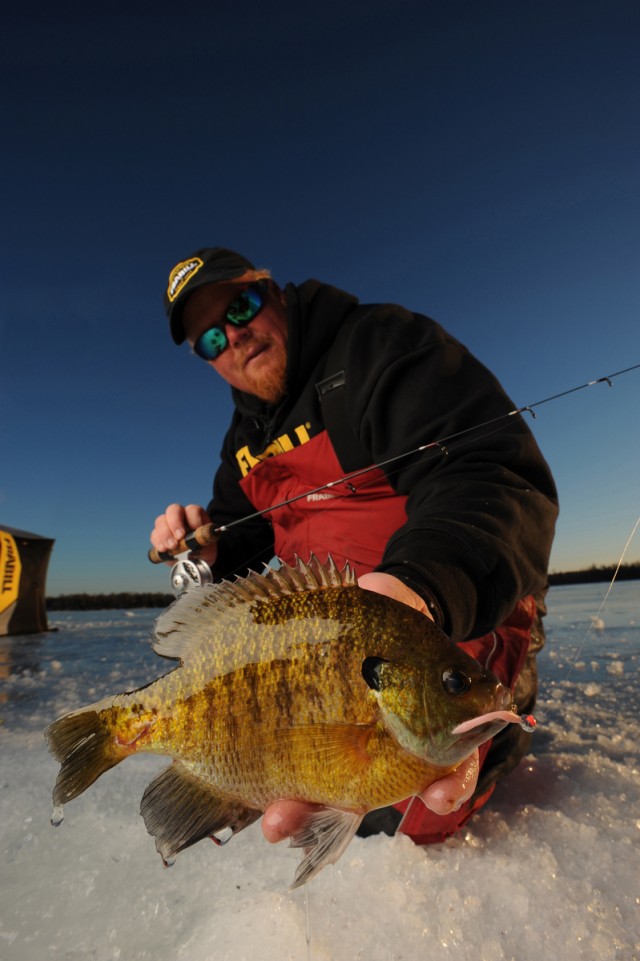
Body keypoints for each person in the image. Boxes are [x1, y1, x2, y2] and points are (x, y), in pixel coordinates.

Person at [151, 246, 558, 847]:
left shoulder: (378, 346)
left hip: (445, 612)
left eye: (240, 307)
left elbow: (486, 472)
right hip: (326, 652)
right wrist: (211, 553)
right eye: (210, 340)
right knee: (337, 792)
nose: (232, 337)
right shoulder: (241, 442)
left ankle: (502, 749)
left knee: (426, 811)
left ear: (274, 290)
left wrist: (422, 587)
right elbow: (241, 533)